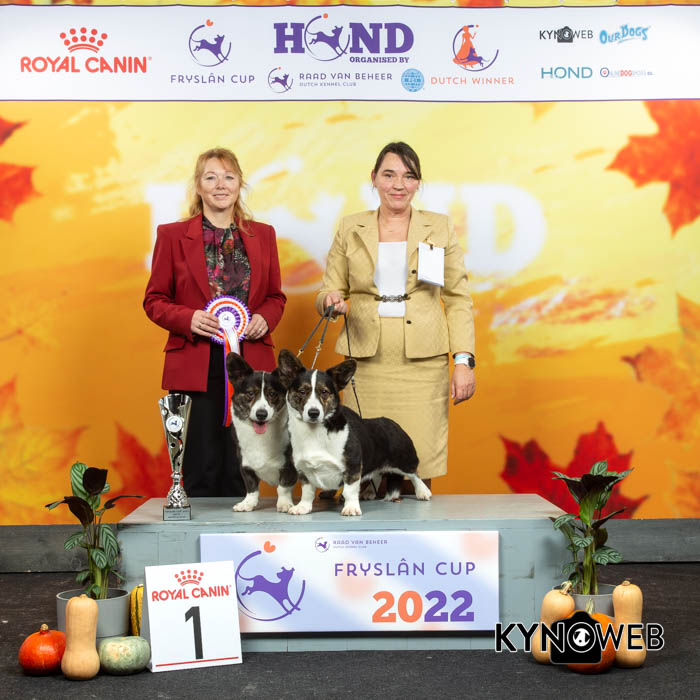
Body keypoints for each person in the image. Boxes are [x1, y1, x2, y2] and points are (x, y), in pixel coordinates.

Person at [316, 141, 475, 487]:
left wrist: (463, 361)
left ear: (418, 182)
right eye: (389, 175)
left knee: (416, 468)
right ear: (374, 178)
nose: (398, 185)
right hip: (366, 364)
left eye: (409, 176)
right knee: (363, 466)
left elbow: (458, 298)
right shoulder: (350, 227)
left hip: (423, 366)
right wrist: (330, 301)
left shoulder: (440, 227)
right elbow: (328, 291)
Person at [144, 147, 286, 497]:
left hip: (251, 368)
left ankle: (244, 530)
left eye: (228, 177)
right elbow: (154, 300)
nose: (220, 185)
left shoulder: (263, 235)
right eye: (211, 177)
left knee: (245, 468)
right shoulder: (172, 236)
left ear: (239, 184)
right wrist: (188, 318)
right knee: (199, 467)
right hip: (196, 365)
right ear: (198, 186)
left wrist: (265, 319)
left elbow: (275, 297)